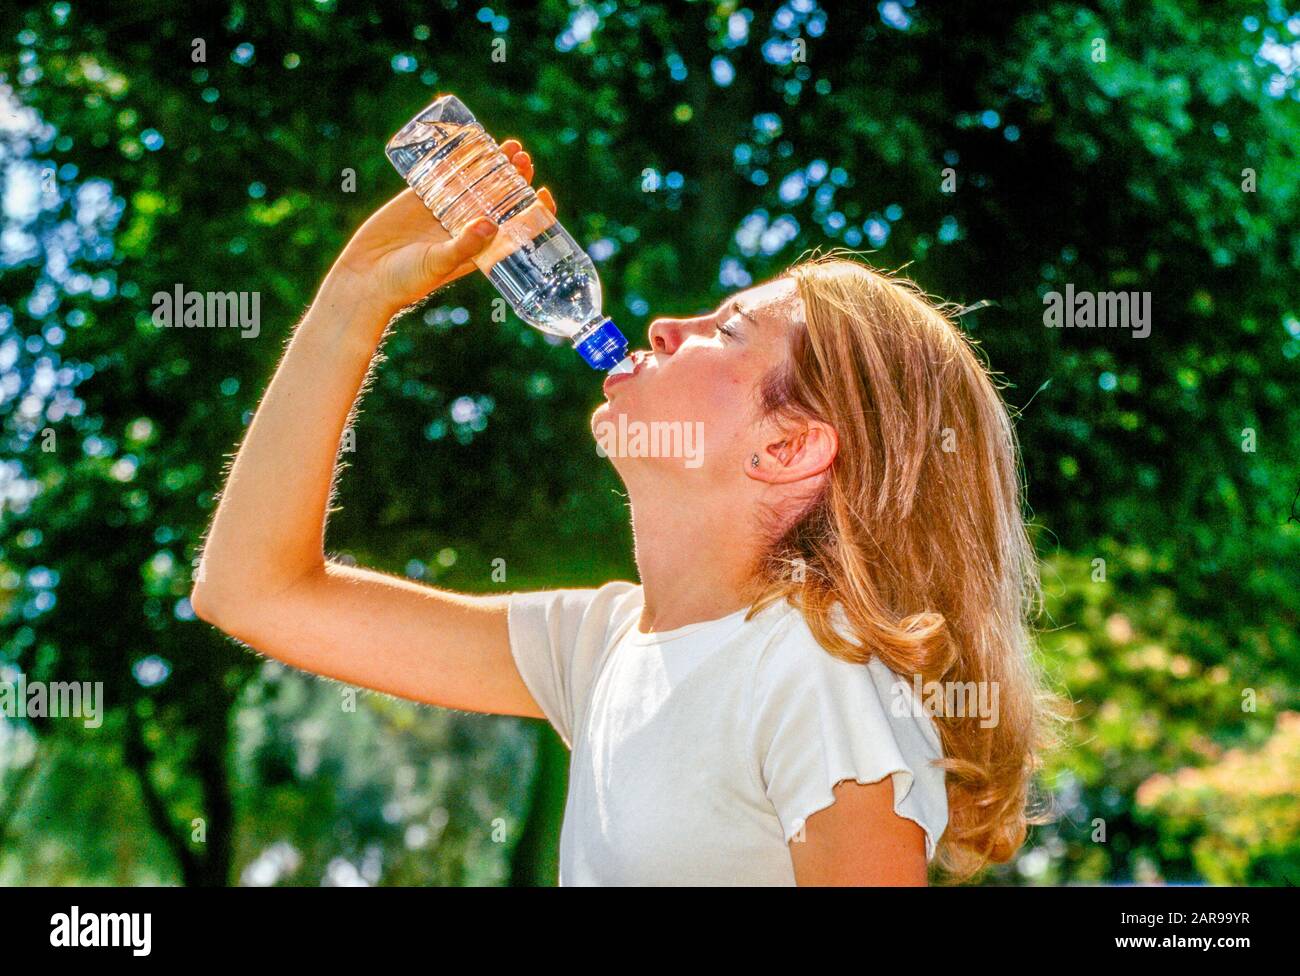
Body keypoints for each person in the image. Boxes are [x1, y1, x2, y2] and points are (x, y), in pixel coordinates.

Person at [192, 140, 1055, 886]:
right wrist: (355, 298)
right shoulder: (603, 649)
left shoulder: (818, 672)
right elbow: (251, 589)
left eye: (728, 330)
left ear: (789, 448)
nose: (670, 325)